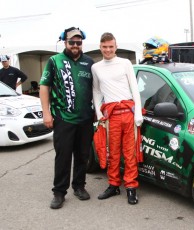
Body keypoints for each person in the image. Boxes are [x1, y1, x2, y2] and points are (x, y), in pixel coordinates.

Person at [39, 27, 94, 209]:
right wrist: (46, 113)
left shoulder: (89, 62)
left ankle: (79, 186)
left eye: (78, 42)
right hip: (63, 118)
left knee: (83, 155)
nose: (75, 45)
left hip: (85, 119)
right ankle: (59, 192)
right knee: (63, 156)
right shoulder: (55, 61)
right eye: (72, 42)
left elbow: (97, 90)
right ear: (65, 42)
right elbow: (44, 86)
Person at [92, 32, 143, 205]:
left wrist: (138, 114)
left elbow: (134, 88)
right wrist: (99, 114)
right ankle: (113, 185)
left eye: (111, 47)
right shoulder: (96, 67)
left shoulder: (125, 63)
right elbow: (97, 91)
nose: (108, 50)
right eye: (105, 47)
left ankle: (131, 187)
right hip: (111, 115)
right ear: (100, 47)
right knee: (112, 153)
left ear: (116, 46)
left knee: (129, 153)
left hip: (128, 113)